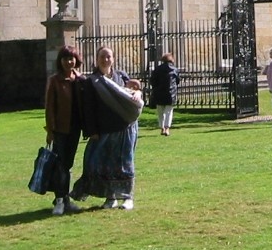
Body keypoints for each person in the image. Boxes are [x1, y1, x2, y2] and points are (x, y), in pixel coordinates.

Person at [71, 46, 139, 210]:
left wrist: (138, 92)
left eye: (108, 56)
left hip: (125, 128)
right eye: (102, 56)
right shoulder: (92, 81)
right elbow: (88, 108)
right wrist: (91, 131)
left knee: (125, 163)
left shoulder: (121, 76)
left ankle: (127, 197)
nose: (105, 59)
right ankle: (110, 197)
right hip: (105, 130)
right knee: (105, 165)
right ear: (97, 59)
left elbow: (132, 94)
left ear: (113, 59)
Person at [44, 45, 85, 215]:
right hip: (60, 128)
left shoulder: (79, 79)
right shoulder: (55, 80)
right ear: (60, 61)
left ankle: (64, 199)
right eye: (65, 58)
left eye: (71, 58)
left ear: (76, 60)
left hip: (75, 128)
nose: (69, 62)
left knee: (67, 164)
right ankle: (60, 200)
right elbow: (49, 107)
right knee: (60, 164)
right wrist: (50, 130)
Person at [150, 52, 180, 136]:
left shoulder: (157, 69)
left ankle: (162, 128)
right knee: (168, 112)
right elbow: (177, 81)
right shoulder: (174, 69)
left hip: (158, 93)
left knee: (160, 112)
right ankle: (167, 128)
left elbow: (152, 81)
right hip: (170, 94)